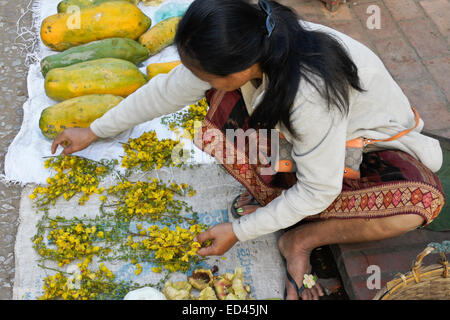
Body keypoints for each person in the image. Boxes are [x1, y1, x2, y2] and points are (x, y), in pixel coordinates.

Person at [51, 0, 445, 300]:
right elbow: (168, 91)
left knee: (418, 204)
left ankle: (301, 240)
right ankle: (275, 201)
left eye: (207, 75)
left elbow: (318, 191)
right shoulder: (253, 37)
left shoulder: (310, 96)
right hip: (313, 141)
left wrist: (239, 232)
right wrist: (94, 128)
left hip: (369, 146)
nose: (197, 80)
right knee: (221, 117)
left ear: (242, 66)